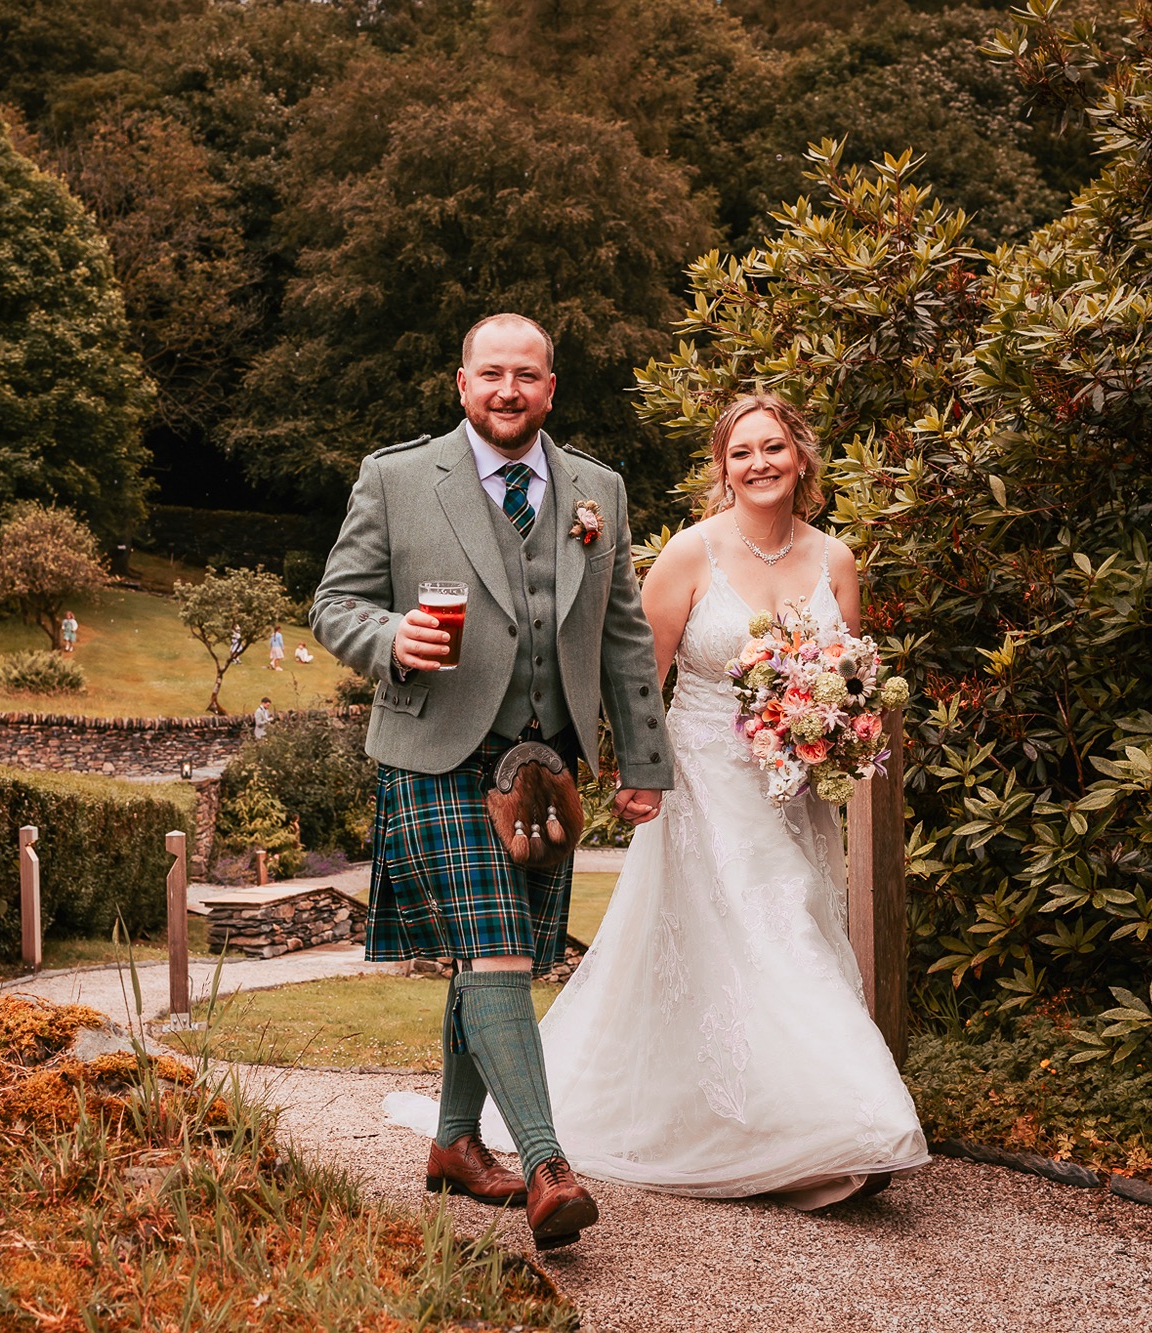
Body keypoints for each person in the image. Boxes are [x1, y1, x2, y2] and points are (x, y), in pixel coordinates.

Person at [388, 394, 929, 1204]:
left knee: (796, 935)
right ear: (723, 468)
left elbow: (849, 676)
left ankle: (799, 1126)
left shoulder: (836, 558)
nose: (759, 463)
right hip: (707, 782)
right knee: (771, 933)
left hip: (793, 791)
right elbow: (639, 670)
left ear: (801, 458)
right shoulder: (690, 552)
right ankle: (854, 1126)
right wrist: (636, 768)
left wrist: (830, 725)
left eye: (773, 447)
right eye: (741, 451)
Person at [311, 313, 672, 1250]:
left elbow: (625, 633)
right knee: (503, 952)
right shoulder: (396, 477)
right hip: (434, 753)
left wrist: (643, 762)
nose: (508, 391)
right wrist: (389, 638)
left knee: (491, 956)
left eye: (528, 375)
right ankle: (550, 1165)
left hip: (545, 766)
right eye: (491, 375)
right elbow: (333, 602)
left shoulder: (598, 488)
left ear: (551, 387)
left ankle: (455, 1142)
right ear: (461, 383)